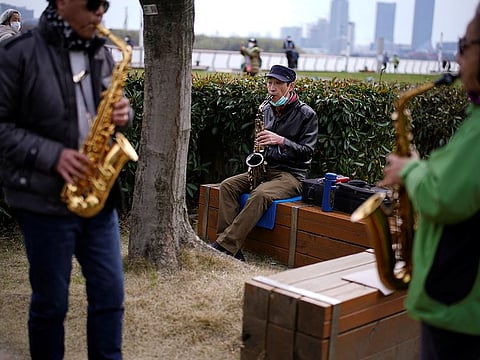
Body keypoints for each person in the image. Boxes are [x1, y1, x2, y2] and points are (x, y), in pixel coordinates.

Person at [0, 0, 133, 358]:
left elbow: (111, 110)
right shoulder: (16, 53)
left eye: (105, 4)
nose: (101, 11)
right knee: (50, 305)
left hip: (98, 199)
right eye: (92, 4)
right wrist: (52, 155)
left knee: (109, 297)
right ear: (62, 2)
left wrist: (125, 112)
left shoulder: (105, 55)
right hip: (43, 201)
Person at [379, 5, 480, 359]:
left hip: (460, 303)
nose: (459, 57)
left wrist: (409, 170)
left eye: (463, 45)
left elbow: (444, 197)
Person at [210, 65, 318, 260]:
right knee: (227, 186)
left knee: (260, 194)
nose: (272, 88)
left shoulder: (306, 114)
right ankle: (230, 248)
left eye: (278, 83)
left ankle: (224, 246)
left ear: (291, 85)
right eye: (269, 83)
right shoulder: (266, 108)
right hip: (265, 168)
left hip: (292, 175)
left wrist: (281, 141)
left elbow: (307, 153)